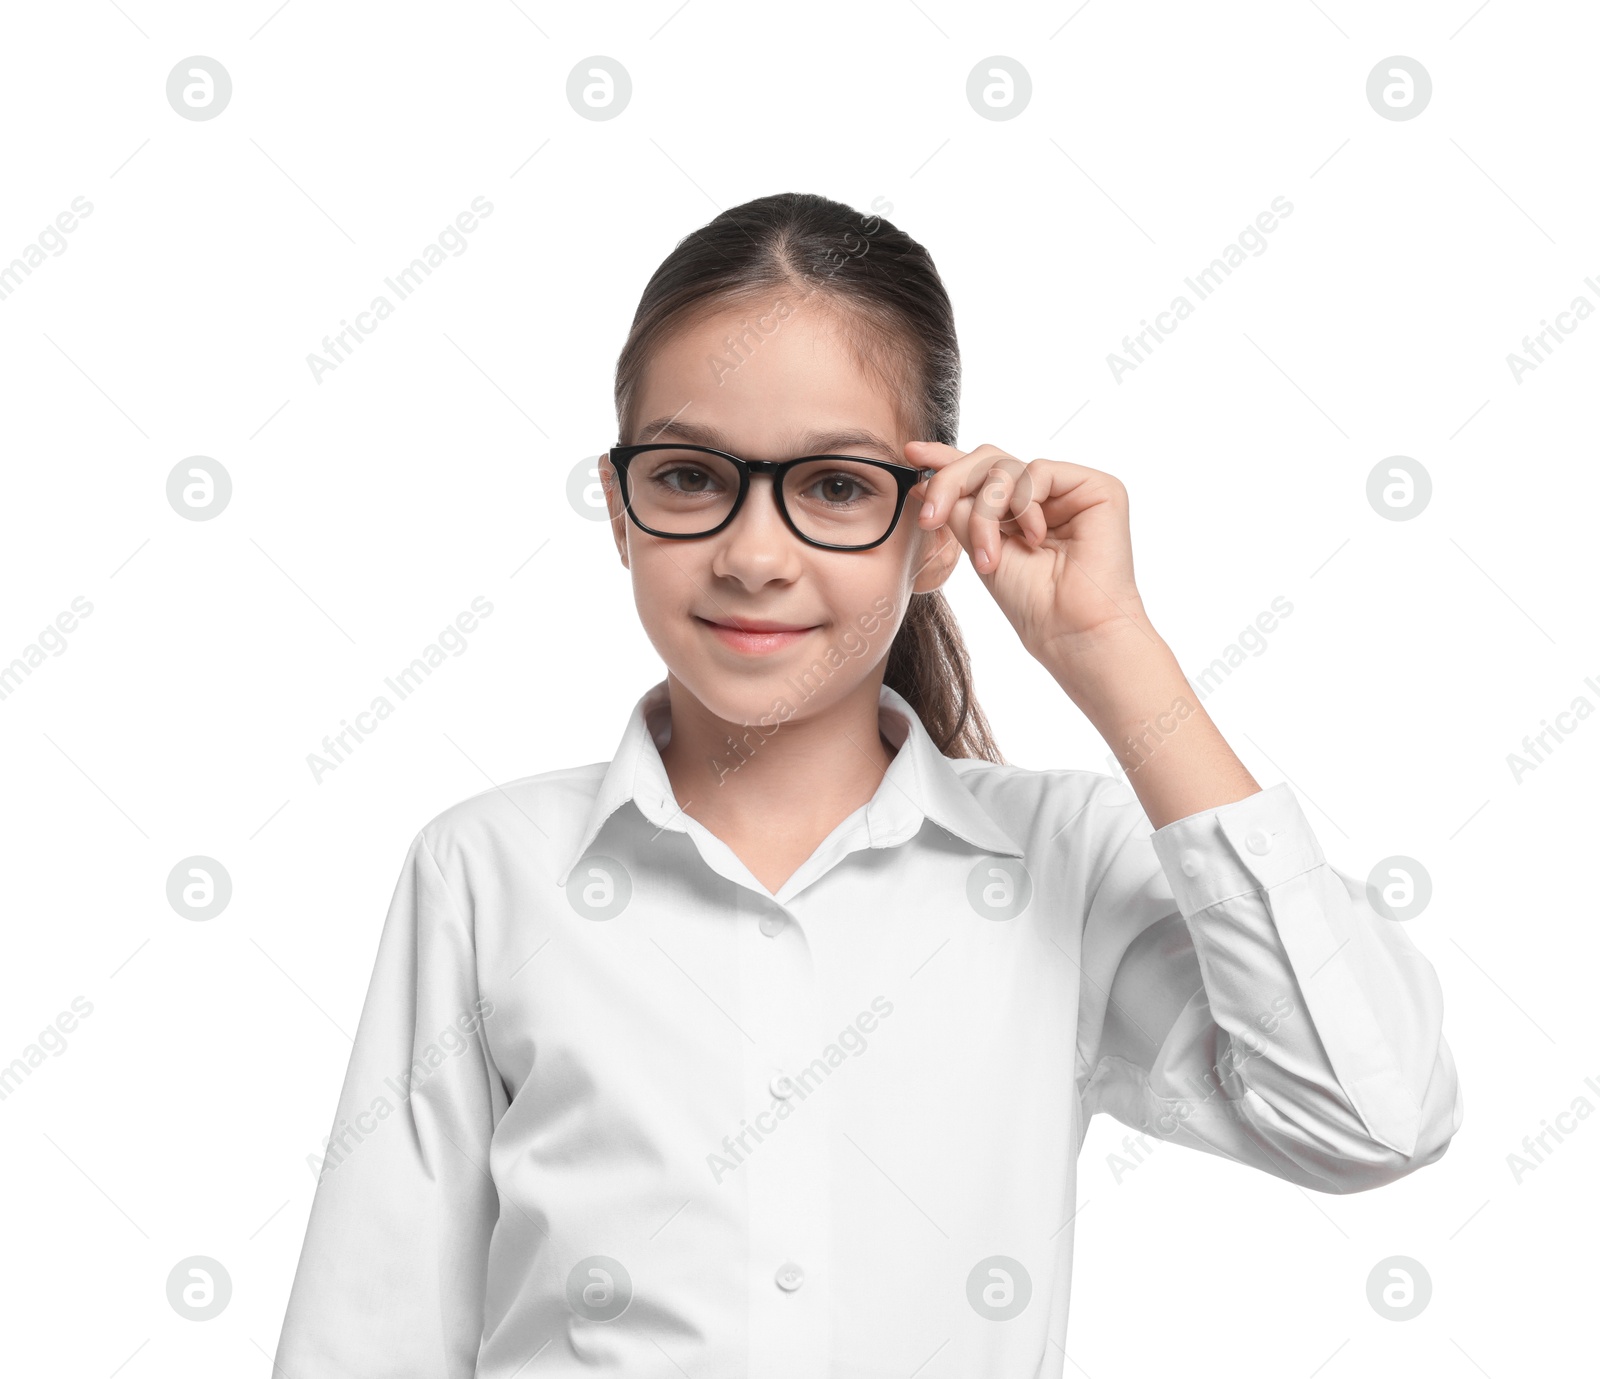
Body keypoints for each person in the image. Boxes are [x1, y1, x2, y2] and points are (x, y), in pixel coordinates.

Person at [274, 191, 1463, 1377]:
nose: (751, 554)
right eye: (690, 477)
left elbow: (1370, 1117)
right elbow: (368, 1326)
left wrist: (1114, 656)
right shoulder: (490, 869)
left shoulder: (1058, 862)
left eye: (836, 486)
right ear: (620, 507)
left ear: (933, 527)